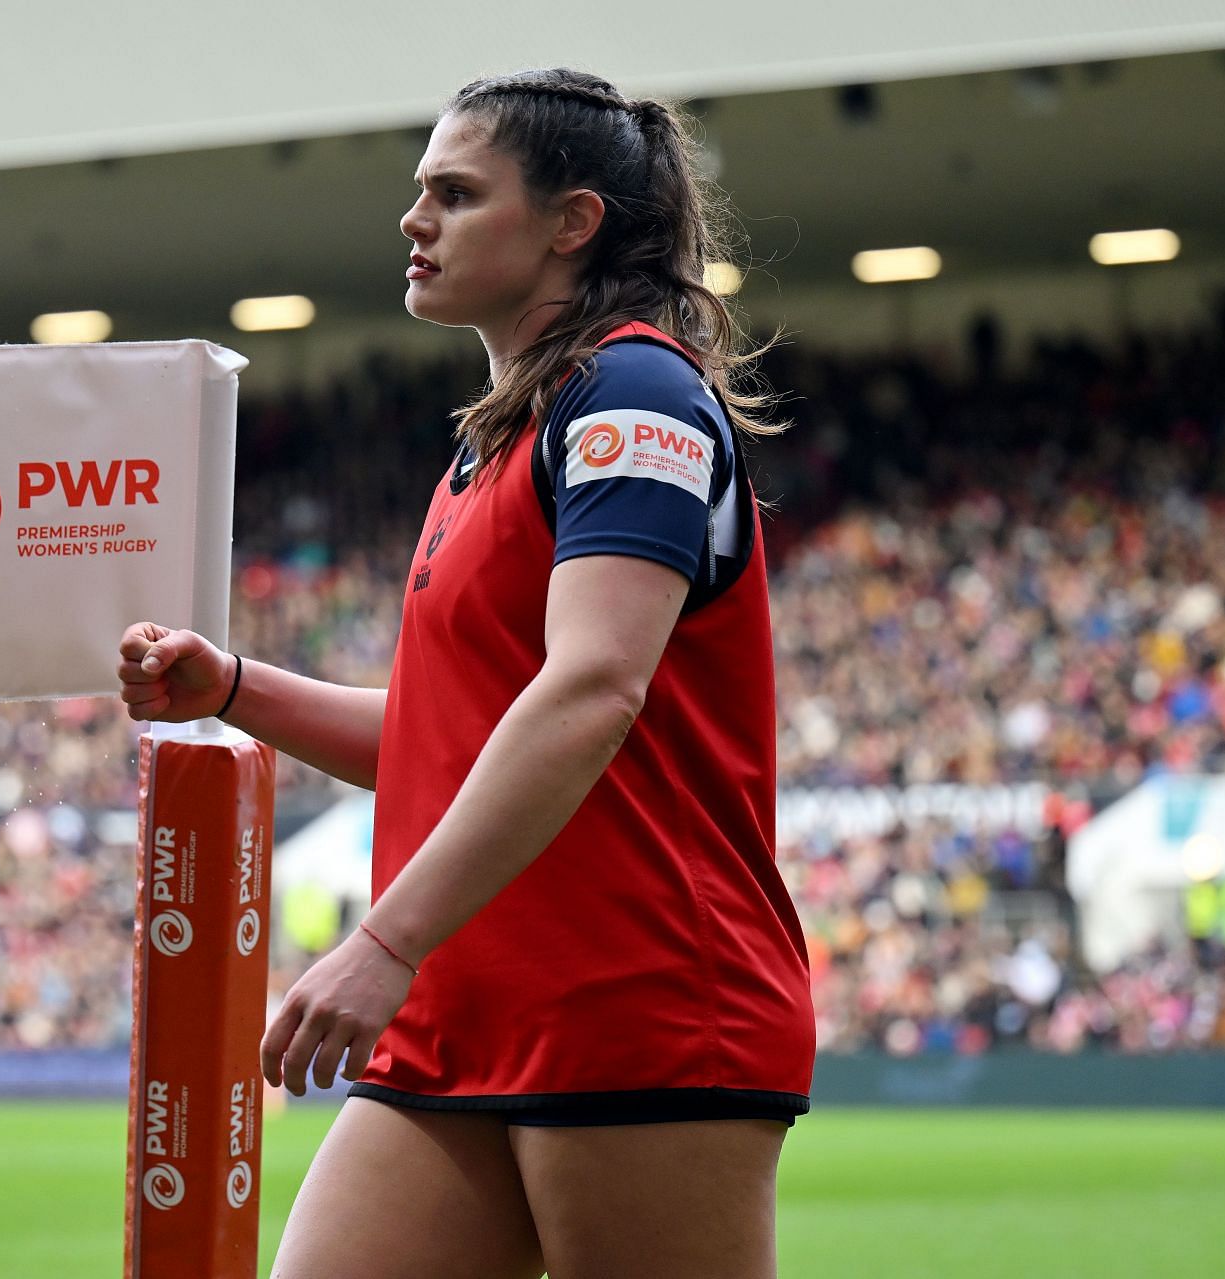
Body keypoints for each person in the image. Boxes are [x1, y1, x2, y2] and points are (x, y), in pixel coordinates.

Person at [118, 67, 814, 1279]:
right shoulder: (502, 440)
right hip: (461, 1012)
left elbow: (595, 690)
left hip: (631, 1000)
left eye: (454, 191)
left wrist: (384, 940)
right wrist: (232, 687)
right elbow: (452, 744)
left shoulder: (633, 391)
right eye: (418, 190)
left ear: (571, 222)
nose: (413, 218)